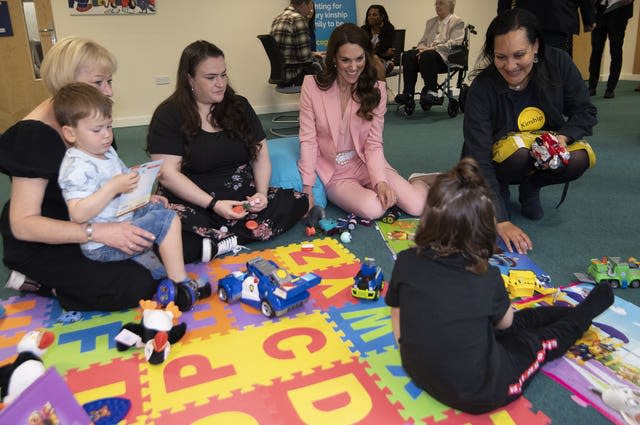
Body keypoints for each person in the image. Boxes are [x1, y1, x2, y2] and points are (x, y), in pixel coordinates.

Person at [385, 157, 614, 414]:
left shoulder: (406, 260)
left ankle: (565, 312)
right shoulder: (485, 276)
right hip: (484, 392)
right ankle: (583, 314)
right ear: (483, 231)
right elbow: (506, 324)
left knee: (505, 325)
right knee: (536, 341)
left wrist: (409, 349)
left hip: (418, 370)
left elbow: (397, 314)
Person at [0, 37, 158, 311]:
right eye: (99, 82)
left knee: (165, 245)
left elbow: (107, 181)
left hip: (92, 219)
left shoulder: (91, 119)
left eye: (110, 81)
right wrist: (99, 232)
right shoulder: (33, 136)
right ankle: (39, 282)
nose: (108, 91)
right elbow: (24, 225)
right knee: (137, 285)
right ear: (67, 82)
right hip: (47, 238)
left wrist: (141, 199)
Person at [147, 40, 308, 264]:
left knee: (299, 201)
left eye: (223, 75)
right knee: (167, 231)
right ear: (189, 79)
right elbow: (167, 174)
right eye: (211, 77)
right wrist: (213, 205)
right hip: (193, 201)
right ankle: (223, 236)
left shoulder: (239, 106)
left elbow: (260, 154)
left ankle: (217, 241)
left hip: (241, 198)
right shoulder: (168, 115)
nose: (220, 83)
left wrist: (261, 193)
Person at [461, 8, 597, 254]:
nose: (510, 66)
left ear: (535, 46)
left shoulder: (558, 63)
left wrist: (562, 138)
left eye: (519, 55)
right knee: (518, 153)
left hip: (543, 154)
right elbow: (477, 158)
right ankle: (500, 190)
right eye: (500, 57)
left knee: (580, 158)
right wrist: (500, 219)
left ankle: (531, 186)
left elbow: (585, 112)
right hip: (499, 160)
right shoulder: (481, 88)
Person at [55, 82, 196, 289]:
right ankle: (179, 283)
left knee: (158, 208)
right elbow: (78, 214)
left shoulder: (107, 152)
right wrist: (112, 187)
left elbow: (126, 186)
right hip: (102, 245)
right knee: (167, 219)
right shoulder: (77, 167)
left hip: (121, 217)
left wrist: (145, 198)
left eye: (108, 126)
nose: (106, 134)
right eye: (96, 129)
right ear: (70, 134)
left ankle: (155, 271)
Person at [298, 23, 435, 220]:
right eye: (345, 60)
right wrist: (307, 188)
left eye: (359, 59)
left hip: (365, 161)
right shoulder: (312, 87)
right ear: (334, 59)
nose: (353, 67)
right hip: (335, 173)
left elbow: (373, 143)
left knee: (417, 206)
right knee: (374, 208)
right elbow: (308, 139)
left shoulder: (376, 90)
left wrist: (380, 181)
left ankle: (418, 180)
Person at [395, 0, 464, 110]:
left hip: (446, 58)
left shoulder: (457, 22)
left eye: (441, 3)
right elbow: (423, 41)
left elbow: (455, 43)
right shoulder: (431, 22)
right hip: (427, 56)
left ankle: (432, 92)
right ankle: (408, 94)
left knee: (428, 54)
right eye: (436, 3)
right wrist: (421, 47)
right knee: (409, 55)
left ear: (450, 5)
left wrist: (432, 48)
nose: (437, 6)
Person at [497, 0, 595, 57]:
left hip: (526, 16)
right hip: (558, 16)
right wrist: (589, 19)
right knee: (557, 66)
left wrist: (503, 17)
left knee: (527, 63)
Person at [588, 0, 635, 99]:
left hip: (619, 9)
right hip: (600, 9)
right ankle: (591, 86)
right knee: (596, 49)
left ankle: (610, 88)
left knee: (615, 49)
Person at [270, 0, 322, 86]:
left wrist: (313, 54)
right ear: (304, 4)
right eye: (310, 5)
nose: (310, 10)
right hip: (295, 76)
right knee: (325, 67)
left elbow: (288, 52)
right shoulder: (298, 19)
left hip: (281, 75)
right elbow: (306, 59)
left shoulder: (277, 19)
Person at [361, 4, 396, 80]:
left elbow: (383, 48)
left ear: (382, 16)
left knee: (375, 61)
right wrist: (379, 51)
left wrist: (377, 51)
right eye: (369, 15)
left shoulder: (388, 29)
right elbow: (361, 48)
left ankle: (381, 89)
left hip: (384, 61)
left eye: (374, 15)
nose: (371, 17)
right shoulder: (364, 29)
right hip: (366, 60)